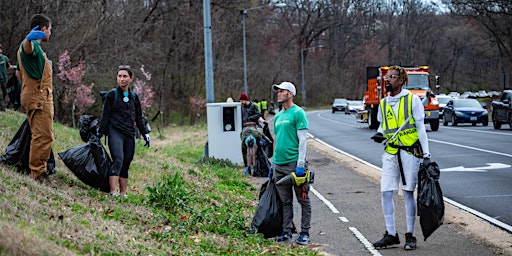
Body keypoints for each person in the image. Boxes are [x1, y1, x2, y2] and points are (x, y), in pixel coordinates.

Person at [370, 65, 430, 250]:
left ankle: (410, 235)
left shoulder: (412, 100)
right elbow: (383, 126)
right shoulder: (383, 102)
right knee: (386, 192)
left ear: (402, 80)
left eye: (392, 77)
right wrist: (379, 134)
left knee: (408, 192)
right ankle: (391, 234)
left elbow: (420, 128)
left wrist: (426, 155)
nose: (387, 80)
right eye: (387, 77)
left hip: (409, 152)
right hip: (390, 152)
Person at [97, 66, 151, 197]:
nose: (121, 79)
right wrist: (100, 133)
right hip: (115, 131)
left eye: (125, 76)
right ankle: (113, 192)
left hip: (129, 133)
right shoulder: (111, 95)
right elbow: (105, 116)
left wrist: (145, 133)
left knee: (127, 162)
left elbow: (139, 117)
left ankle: (123, 193)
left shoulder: (134, 96)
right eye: (119, 76)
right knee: (118, 159)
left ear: (131, 79)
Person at [271, 81, 311, 245]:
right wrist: (272, 163)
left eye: (282, 91)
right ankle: (286, 231)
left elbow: (303, 140)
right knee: (285, 201)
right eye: (278, 91)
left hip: (294, 164)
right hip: (279, 165)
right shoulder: (278, 116)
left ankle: (305, 233)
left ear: (290, 94)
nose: (279, 94)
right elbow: (276, 140)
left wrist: (300, 164)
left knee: (303, 200)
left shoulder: (298, 113)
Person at [16, 14, 54, 180]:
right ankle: (38, 173)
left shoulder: (37, 50)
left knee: (41, 135)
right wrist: (28, 40)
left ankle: (37, 169)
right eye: (50, 29)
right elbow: (27, 49)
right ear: (43, 29)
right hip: (38, 99)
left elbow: (19, 72)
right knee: (43, 136)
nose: (50, 33)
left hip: (37, 96)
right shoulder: (31, 46)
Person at [239, 92, 264, 175]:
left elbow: (258, 114)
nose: (241, 102)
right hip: (244, 129)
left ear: (246, 100)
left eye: (242, 100)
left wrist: (250, 118)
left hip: (253, 127)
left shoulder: (254, 106)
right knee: (244, 148)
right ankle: (247, 166)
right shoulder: (241, 108)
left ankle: (257, 165)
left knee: (257, 146)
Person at [0, 44, 11, 111]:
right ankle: (2, 108)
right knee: (0, 94)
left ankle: (3, 105)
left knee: (4, 93)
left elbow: (8, 66)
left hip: (3, 78)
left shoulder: (4, 58)